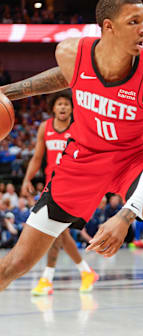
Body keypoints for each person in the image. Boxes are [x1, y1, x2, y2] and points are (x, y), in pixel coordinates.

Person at [0, 0, 143, 336]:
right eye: (134, 22)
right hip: (82, 161)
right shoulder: (70, 52)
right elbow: (63, 77)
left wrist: (126, 215)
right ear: (108, 27)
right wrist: (6, 93)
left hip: (135, 160)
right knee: (18, 261)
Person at [21, 90, 98, 295]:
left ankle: (49, 279)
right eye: (59, 104)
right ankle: (83, 272)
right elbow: (37, 157)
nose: (63, 107)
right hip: (52, 185)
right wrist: (28, 178)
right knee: (59, 233)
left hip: (74, 184)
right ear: (53, 108)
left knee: (57, 232)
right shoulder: (44, 128)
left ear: (73, 108)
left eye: (66, 103)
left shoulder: (78, 127)